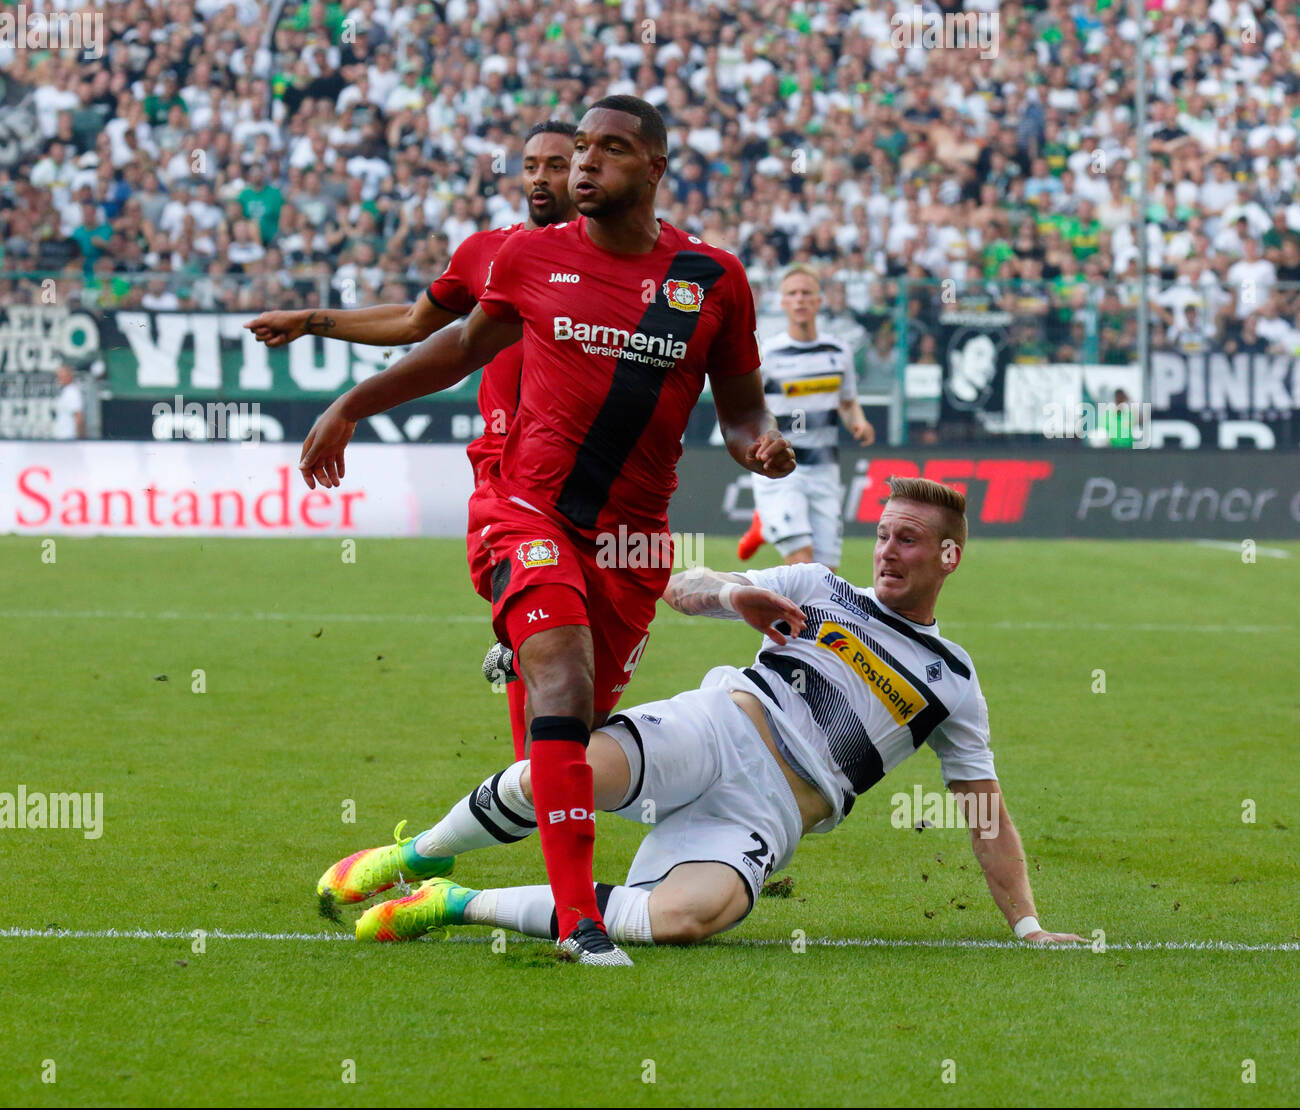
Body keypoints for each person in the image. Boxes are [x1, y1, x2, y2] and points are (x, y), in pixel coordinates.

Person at [300, 96, 795, 965]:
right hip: (527, 510)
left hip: (633, 544)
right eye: (578, 153)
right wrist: (350, 405)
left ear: (654, 168)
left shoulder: (712, 279)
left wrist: (759, 445)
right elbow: (453, 349)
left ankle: (421, 861)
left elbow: (741, 405)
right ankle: (581, 923)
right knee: (561, 679)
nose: (582, 166)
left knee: (565, 754)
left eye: (609, 150)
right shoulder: (529, 257)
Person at [318, 478, 1083, 951]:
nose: (886, 552)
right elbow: (682, 586)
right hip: (719, 728)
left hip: (770, 815)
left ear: (948, 557)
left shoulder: (952, 680)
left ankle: (452, 905)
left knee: (684, 920)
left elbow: (984, 810)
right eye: (882, 534)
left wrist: (1027, 925)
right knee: (557, 774)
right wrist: (730, 593)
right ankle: (418, 855)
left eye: (907, 541)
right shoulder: (820, 587)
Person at [246, 121, 579, 760]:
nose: (540, 177)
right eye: (531, 164)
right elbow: (412, 322)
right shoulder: (491, 252)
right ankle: (545, 788)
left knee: (582, 672)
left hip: (594, 470)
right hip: (513, 473)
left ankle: (534, 706)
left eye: (556, 165)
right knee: (551, 649)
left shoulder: (619, 260)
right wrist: (310, 321)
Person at [736, 265, 874, 570]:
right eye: (792, 294)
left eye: (806, 293)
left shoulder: (839, 352)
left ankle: (764, 526)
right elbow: (749, 408)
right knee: (801, 561)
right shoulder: (768, 354)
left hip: (825, 469)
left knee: (825, 576)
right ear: (783, 303)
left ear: (819, 301)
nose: (800, 300)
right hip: (784, 469)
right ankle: (767, 522)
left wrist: (859, 422)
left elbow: (848, 401)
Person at [52, 364, 85, 440]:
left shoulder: (73, 392)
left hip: (70, 437)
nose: (60, 379)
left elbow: (78, 417)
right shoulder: (65, 391)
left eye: (63, 376)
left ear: (70, 376)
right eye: (59, 376)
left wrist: (80, 439)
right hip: (62, 437)